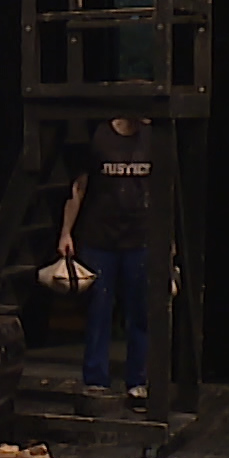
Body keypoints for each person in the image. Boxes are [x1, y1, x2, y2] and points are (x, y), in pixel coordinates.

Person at [57, 116, 154, 403]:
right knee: (99, 310)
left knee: (139, 313)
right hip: (100, 239)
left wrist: (168, 240)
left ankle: (138, 380)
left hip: (140, 238)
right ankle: (96, 379)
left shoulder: (152, 137)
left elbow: (164, 189)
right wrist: (66, 232)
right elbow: (79, 186)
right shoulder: (99, 135)